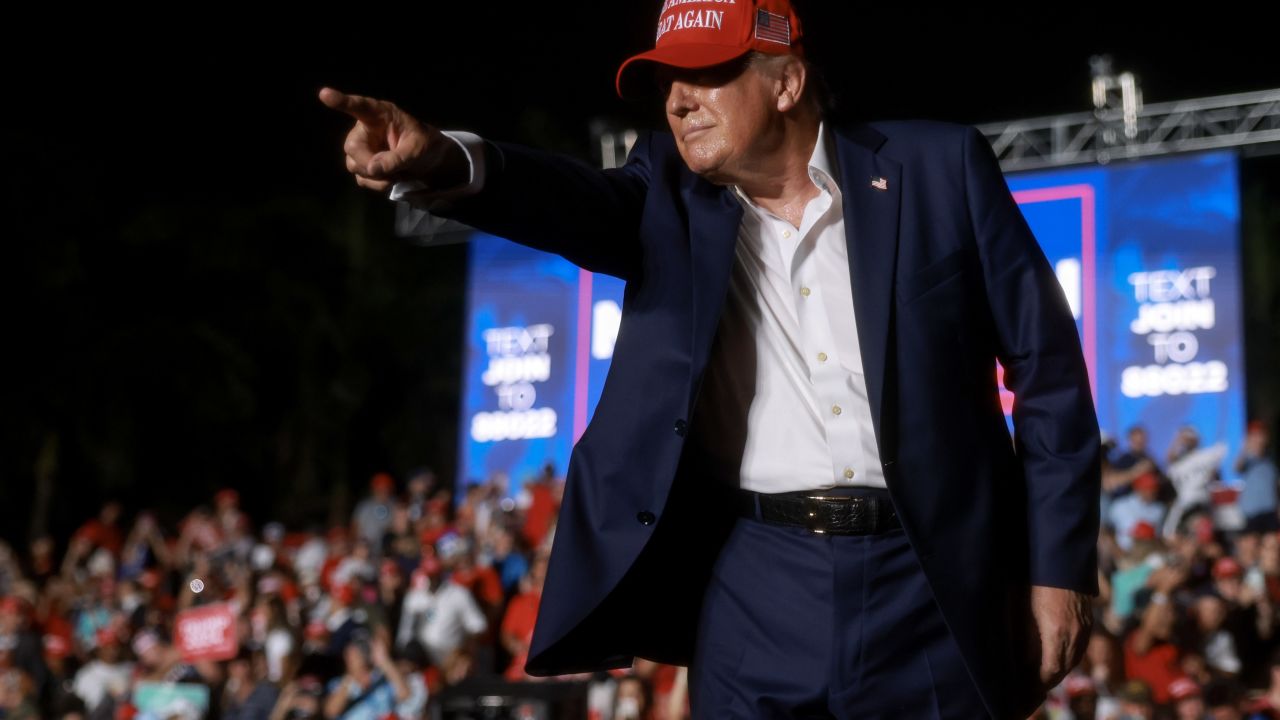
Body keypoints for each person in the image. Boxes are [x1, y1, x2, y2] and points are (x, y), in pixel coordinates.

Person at [319, 0, 1101, 716]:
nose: (678, 99)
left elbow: (1050, 371)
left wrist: (1057, 571)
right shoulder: (668, 193)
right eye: (668, 82)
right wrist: (441, 163)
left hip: (926, 580)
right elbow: (566, 199)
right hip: (754, 579)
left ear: (788, 82)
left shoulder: (940, 169)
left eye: (706, 76)